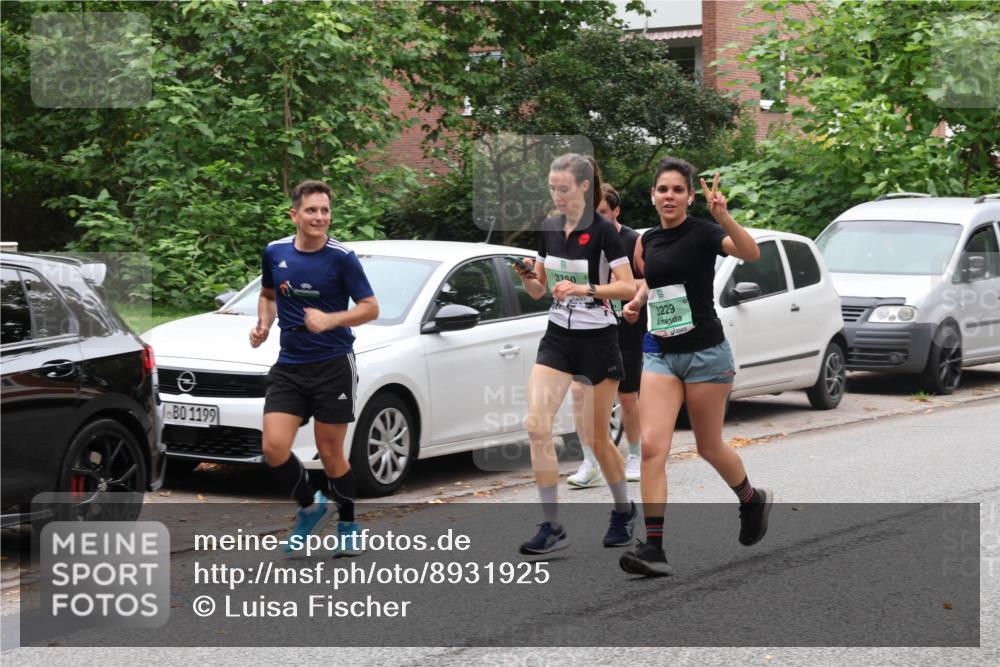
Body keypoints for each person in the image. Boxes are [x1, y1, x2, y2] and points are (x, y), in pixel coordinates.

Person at [618, 158, 771, 577]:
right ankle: (652, 547)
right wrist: (635, 302)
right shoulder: (645, 241)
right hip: (660, 353)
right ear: (653, 196)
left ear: (688, 196)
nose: (669, 196)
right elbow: (653, 281)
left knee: (708, 446)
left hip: (706, 354)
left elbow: (750, 253)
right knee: (652, 448)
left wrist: (724, 216)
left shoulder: (705, 233)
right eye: (662, 189)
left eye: (677, 190)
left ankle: (750, 499)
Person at [511, 154, 637, 554]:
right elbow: (540, 290)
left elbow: (627, 286)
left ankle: (623, 510)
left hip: (599, 339)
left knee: (599, 438)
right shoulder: (548, 227)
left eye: (563, 189)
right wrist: (529, 278)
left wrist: (585, 290)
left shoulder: (603, 232)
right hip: (558, 338)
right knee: (536, 426)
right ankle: (551, 524)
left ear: (584, 187)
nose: (557, 196)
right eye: (552, 188)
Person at [249, 179, 379, 557]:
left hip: (333, 365)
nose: (319, 217)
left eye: (324, 211)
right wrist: (263, 324)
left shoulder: (342, 257)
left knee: (330, 452)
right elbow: (268, 294)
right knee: (273, 447)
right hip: (290, 364)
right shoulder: (274, 252)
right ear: (295, 214)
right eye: (311, 210)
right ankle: (311, 507)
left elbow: (370, 307)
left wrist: (331, 319)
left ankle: (349, 524)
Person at [566, 183, 647, 488]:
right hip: (590, 327)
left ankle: (635, 455)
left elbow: (648, 279)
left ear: (616, 211)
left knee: (627, 397)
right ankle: (589, 460)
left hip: (626, 328)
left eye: (603, 212)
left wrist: (628, 291)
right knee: (578, 393)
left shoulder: (632, 239)